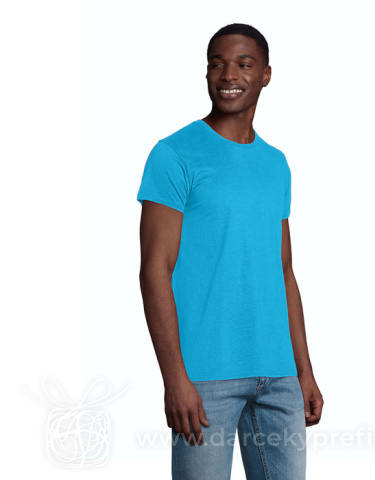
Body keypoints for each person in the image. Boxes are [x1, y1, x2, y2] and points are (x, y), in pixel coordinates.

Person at [137, 22, 323, 479]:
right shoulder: (174, 154)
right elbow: (154, 270)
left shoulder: (276, 163)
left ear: (265, 75)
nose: (228, 75)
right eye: (217, 63)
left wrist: (304, 370)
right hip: (205, 376)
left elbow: (283, 271)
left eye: (244, 63)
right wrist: (174, 378)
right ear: (206, 73)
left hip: (279, 376)